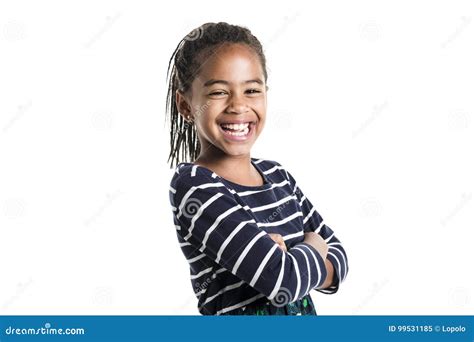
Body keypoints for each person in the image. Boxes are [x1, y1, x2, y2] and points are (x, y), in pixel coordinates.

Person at [166, 22, 348, 315]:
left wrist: (293, 258)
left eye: (251, 90)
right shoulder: (196, 185)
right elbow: (281, 280)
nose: (238, 106)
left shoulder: (278, 177)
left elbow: (339, 260)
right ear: (186, 105)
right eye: (218, 93)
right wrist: (312, 247)